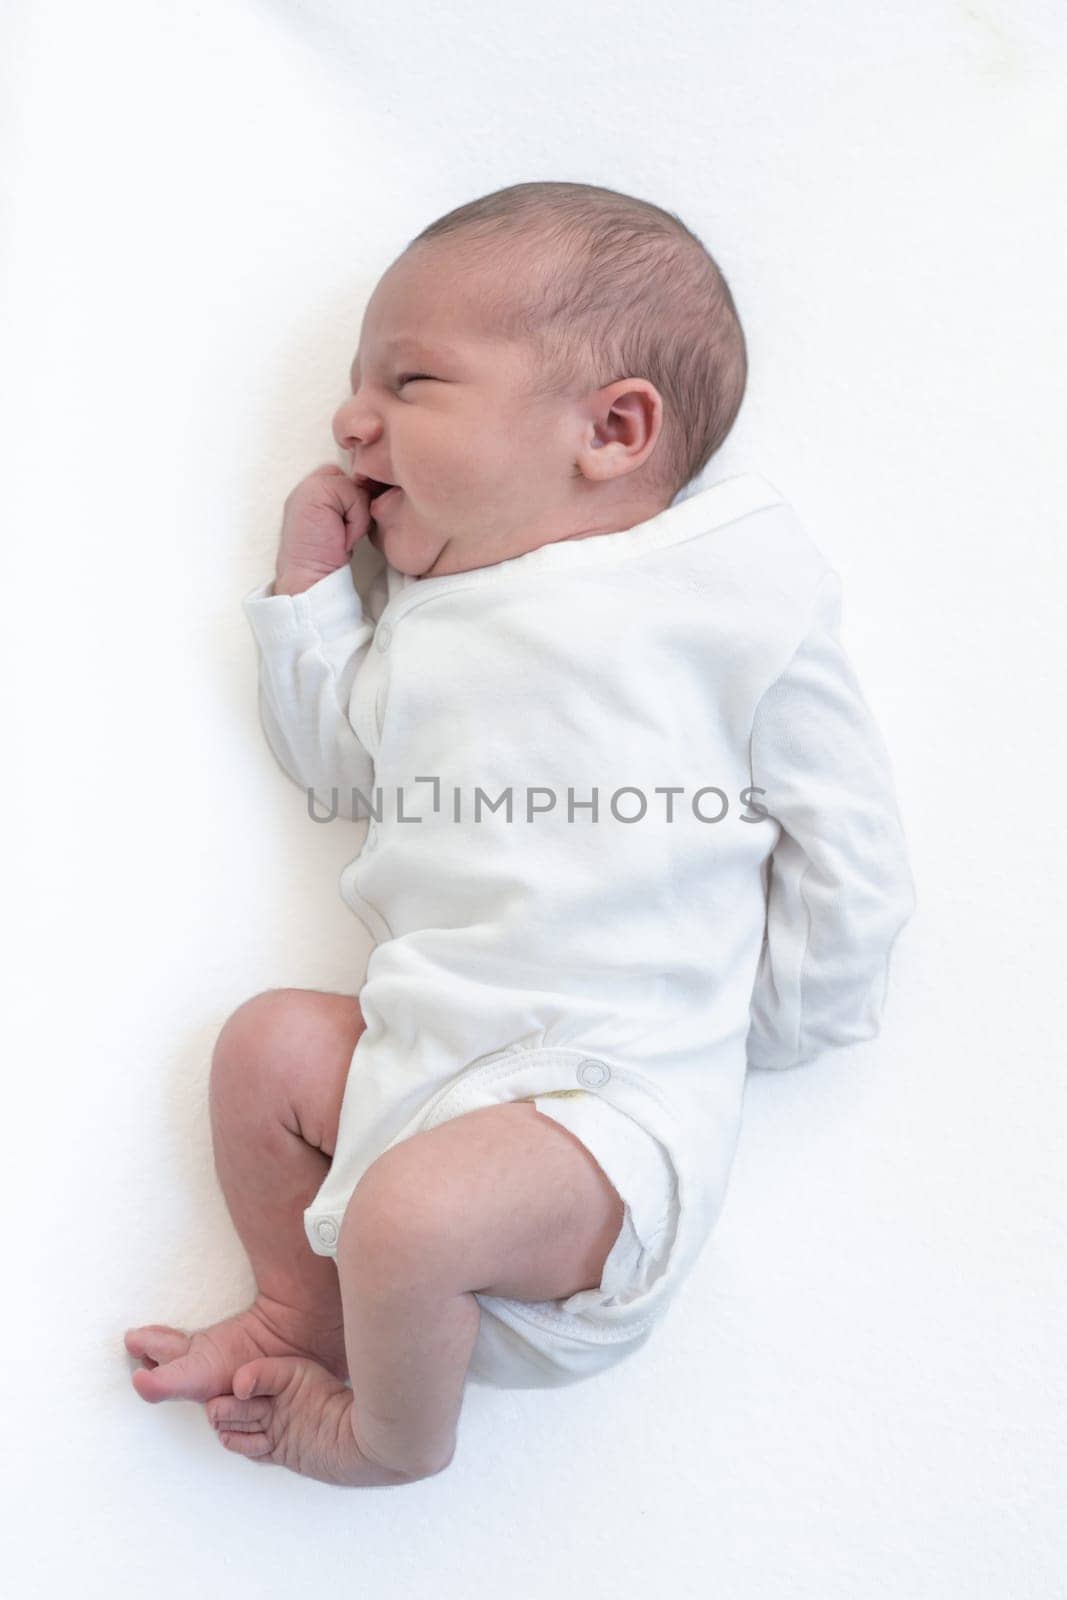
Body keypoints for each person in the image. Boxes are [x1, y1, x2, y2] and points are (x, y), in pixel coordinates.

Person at [124, 180, 916, 1487]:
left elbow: (849, 837)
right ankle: (297, 1310)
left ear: (612, 428)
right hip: (420, 1068)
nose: (349, 420)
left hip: (609, 1104)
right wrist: (312, 598)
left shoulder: (729, 588)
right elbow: (336, 765)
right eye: (354, 390)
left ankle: (392, 1437)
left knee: (417, 1212)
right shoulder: (423, 626)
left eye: (412, 382)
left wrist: (772, 1019)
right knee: (265, 1047)